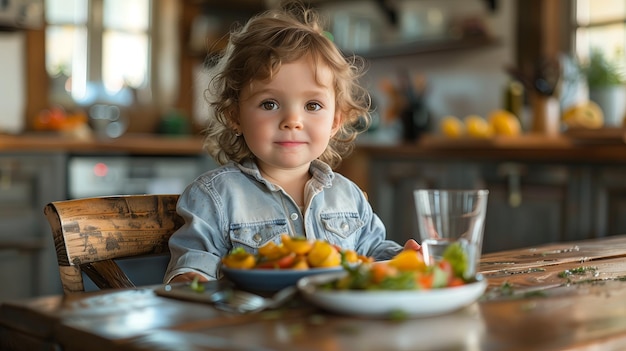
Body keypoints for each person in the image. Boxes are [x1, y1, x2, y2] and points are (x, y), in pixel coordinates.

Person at [164, 0, 420, 284]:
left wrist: (401, 259)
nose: (292, 120)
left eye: (312, 105)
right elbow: (191, 271)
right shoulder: (215, 197)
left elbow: (372, 254)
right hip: (250, 325)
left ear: (336, 120)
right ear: (234, 115)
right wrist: (189, 279)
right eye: (270, 103)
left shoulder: (350, 197)